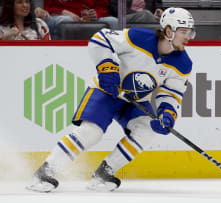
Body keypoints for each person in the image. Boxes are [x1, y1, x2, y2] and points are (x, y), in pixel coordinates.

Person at [26, 7, 195, 192]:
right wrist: (107, 67)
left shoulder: (183, 63)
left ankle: (104, 173)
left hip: (136, 100)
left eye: (190, 32)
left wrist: (167, 114)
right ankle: (45, 172)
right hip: (107, 91)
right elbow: (100, 39)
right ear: (169, 31)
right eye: (184, 32)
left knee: (146, 130)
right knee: (92, 132)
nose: (188, 37)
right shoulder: (137, 37)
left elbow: (171, 93)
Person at [36, 0, 119, 39]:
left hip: (87, 18)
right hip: (60, 16)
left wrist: (96, 13)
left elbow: (102, 7)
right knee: (67, 20)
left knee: (113, 21)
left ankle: (115, 59)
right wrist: (62, 11)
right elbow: (46, 8)